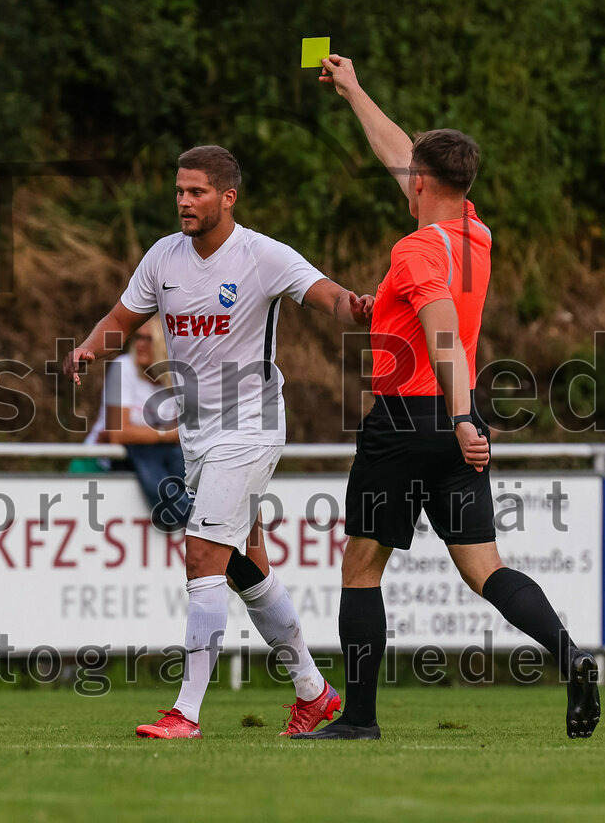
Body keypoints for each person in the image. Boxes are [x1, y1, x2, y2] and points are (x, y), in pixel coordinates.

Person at [292, 56, 600, 740]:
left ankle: (360, 720)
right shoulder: (475, 233)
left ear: (421, 184)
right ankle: (570, 655)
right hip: (461, 425)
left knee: (362, 565)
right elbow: (403, 152)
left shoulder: (415, 250)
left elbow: (444, 342)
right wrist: (354, 91)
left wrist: (459, 416)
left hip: (410, 419)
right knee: (484, 566)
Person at [64, 145, 374, 739]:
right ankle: (314, 691)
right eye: (180, 190)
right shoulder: (163, 257)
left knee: (203, 552)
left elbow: (326, 293)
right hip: (197, 430)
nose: (184, 200)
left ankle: (186, 712)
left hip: (251, 423)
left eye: (197, 191)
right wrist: (87, 347)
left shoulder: (260, 255)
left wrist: (353, 306)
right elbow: (122, 321)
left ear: (228, 197)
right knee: (243, 564)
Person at [82, 316, 191, 531]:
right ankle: (183, 512)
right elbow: (118, 434)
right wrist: (167, 434)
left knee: (176, 456)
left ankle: (185, 510)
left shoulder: (181, 377)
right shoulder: (122, 368)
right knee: (144, 449)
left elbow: (191, 432)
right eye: (138, 337)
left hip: (164, 463)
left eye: (148, 339)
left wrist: (137, 433)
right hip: (106, 464)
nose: (139, 344)